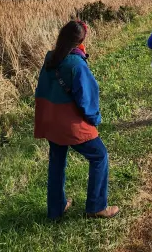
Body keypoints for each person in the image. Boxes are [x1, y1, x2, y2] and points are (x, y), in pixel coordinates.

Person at [34, 21, 119, 220]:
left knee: (57, 161)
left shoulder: (50, 57)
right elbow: (87, 100)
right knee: (99, 155)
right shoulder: (77, 64)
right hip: (70, 124)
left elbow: (42, 89)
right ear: (81, 41)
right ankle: (96, 206)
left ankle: (56, 209)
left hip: (50, 120)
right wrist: (94, 119)